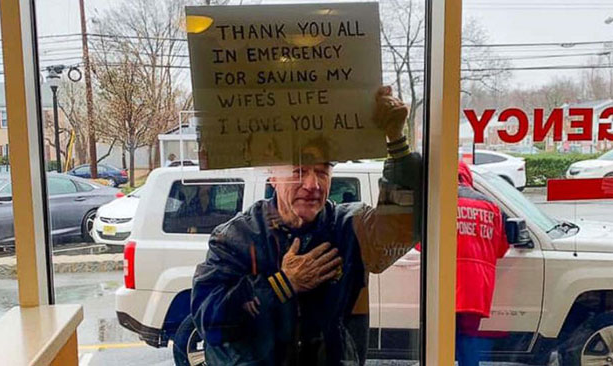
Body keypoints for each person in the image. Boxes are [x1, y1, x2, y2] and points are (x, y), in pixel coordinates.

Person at [191, 86, 422, 366]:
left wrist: (395, 138)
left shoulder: (349, 228)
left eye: (322, 171)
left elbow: (403, 224)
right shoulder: (234, 238)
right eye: (299, 171)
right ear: (272, 177)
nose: (313, 185)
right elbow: (210, 322)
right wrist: (281, 284)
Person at [455, 161, 509, 366]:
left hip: (445, 282)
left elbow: (420, 245)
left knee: (440, 337)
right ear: (467, 177)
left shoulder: (437, 202)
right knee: (468, 337)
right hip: (477, 285)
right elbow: (501, 249)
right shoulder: (490, 205)